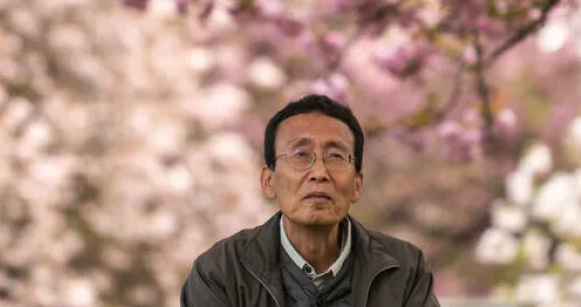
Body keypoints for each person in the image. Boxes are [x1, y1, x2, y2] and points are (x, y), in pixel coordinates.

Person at [180, 94, 441, 307]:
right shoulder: (220, 271)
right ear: (268, 181)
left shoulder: (404, 269)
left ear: (357, 184)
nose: (319, 173)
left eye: (335, 156)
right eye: (300, 154)